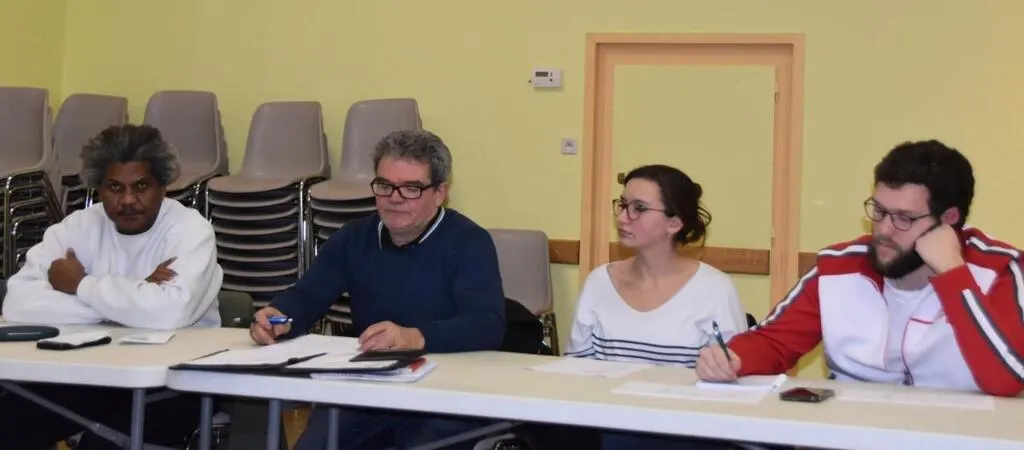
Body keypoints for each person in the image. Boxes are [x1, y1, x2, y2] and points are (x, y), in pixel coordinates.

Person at [696, 139, 1024, 398]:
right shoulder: (839, 266)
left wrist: (953, 273)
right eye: (878, 211)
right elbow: (773, 343)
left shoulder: (999, 269)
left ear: (948, 220)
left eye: (903, 218)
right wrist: (732, 358)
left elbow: (1007, 380)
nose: (883, 230)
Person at [250, 129, 506, 450]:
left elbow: (487, 324)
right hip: (367, 391)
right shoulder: (354, 238)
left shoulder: (469, 242)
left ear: (440, 192)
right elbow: (308, 295)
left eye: (411, 188)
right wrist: (279, 316)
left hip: (444, 394)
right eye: (384, 185)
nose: (394, 198)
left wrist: (415, 337)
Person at [0, 124, 223, 449]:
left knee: (101, 444)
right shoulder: (78, 227)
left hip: (174, 384)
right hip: (91, 375)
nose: (128, 200)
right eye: (115, 187)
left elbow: (170, 311)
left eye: (141, 186)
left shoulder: (190, 231)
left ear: (163, 186)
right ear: (99, 188)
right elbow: (18, 303)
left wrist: (81, 284)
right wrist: (130, 299)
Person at [567, 164, 747, 450]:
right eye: (622, 205)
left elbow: (732, 382)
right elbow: (576, 370)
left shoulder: (715, 289)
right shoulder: (599, 282)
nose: (623, 217)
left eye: (639, 208)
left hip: (686, 432)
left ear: (674, 224)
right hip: (610, 425)